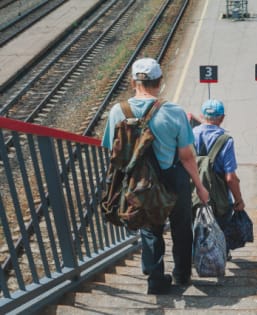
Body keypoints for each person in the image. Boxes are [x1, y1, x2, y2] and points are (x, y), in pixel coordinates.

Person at [101, 58, 209, 294]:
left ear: (132, 82)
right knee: (181, 226)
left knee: (150, 228)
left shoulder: (117, 111)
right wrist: (200, 186)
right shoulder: (174, 111)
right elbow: (187, 156)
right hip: (172, 177)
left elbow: (113, 151)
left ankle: (155, 279)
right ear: (159, 82)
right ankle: (182, 274)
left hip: (138, 182)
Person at [192, 99, 245, 249]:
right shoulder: (225, 140)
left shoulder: (190, 134)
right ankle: (218, 255)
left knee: (194, 225)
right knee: (221, 225)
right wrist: (238, 200)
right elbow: (230, 177)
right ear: (222, 118)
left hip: (193, 194)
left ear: (202, 116)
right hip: (219, 198)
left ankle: (196, 255)